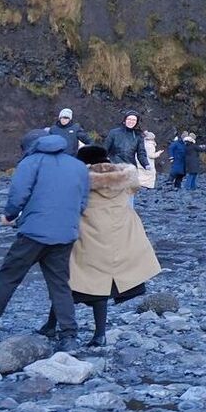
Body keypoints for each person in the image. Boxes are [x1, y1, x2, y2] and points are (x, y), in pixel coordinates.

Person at [39, 146, 160, 347]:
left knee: (69, 281)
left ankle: (52, 325)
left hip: (88, 237)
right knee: (102, 285)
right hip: (119, 237)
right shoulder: (125, 178)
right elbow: (134, 190)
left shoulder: (78, 180)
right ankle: (98, 334)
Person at [0, 134, 90, 345]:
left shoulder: (31, 162)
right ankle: (69, 335)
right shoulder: (77, 165)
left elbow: (18, 194)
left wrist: (10, 216)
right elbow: (83, 201)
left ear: (29, 146)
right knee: (60, 284)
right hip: (65, 233)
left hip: (33, 234)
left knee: (7, 278)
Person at [23, 108, 94, 155]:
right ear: (59, 118)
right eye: (62, 118)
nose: (64, 120)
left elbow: (88, 141)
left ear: (70, 119)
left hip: (71, 158)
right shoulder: (53, 129)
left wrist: (86, 151)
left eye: (66, 118)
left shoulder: (76, 128)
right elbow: (45, 142)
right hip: (55, 157)